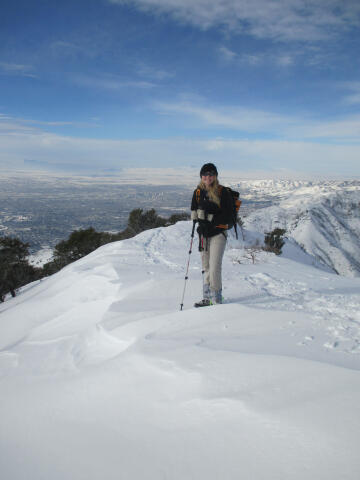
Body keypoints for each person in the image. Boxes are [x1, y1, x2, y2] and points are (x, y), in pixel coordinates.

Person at [191, 163, 233, 307]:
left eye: (210, 174)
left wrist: (210, 218)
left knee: (214, 267)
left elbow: (228, 216)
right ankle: (207, 298)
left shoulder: (223, 192)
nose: (207, 177)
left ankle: (216, 299)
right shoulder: (197, 192)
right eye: (205, 174)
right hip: (203, 234)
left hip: (218, 234)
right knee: (206, 267)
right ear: (201, 176)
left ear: (215, 176)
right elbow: (194, 210)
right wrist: (196, 217)